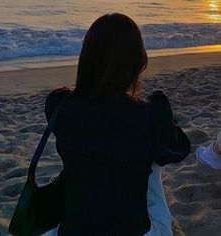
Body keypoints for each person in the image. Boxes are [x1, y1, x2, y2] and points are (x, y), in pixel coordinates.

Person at [44, 13, 190, 236]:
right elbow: (176, 151)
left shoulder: (59, 105)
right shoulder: (150, 114)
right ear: (137, 61)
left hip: (73, 230)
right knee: (152, 163)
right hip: (133, 230)